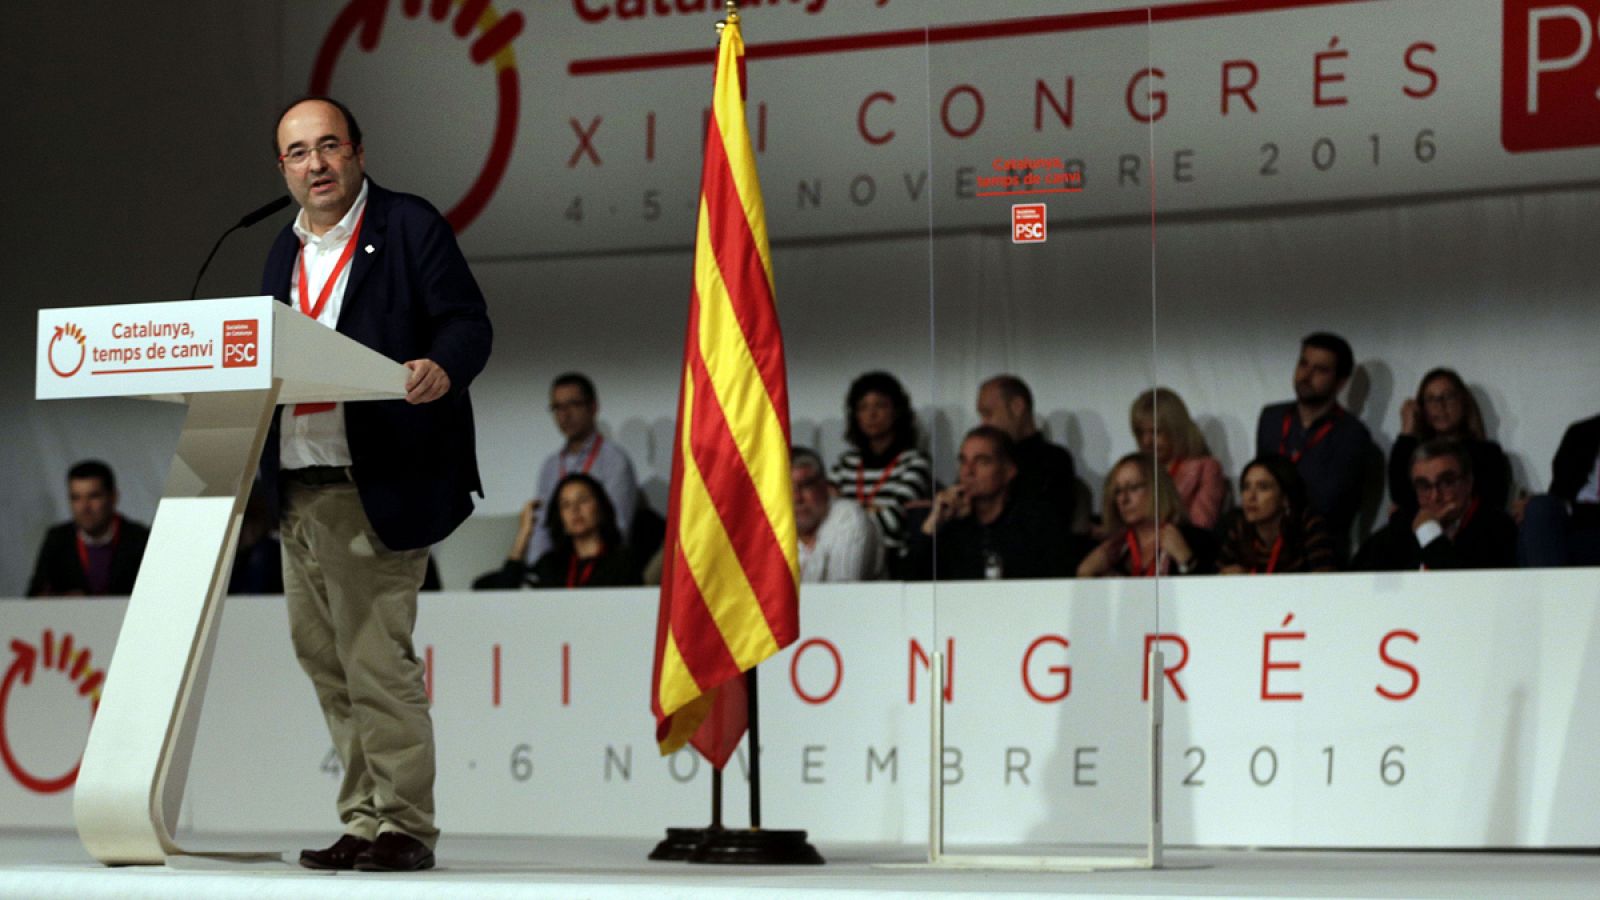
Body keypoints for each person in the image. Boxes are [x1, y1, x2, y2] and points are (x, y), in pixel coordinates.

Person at [261, 96, 491, 873]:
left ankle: (406, 825)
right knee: (326, 663)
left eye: (329, 146)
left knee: (373, 660)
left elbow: (467, 323)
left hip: (376, 482)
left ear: (358, 151)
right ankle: (363, 820)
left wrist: (442, 366)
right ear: (283, 168)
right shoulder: (279, 254)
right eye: (299, 152)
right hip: (297, 486)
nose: (316, 164)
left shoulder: (407, 226)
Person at [1254, 332, 1376, 560]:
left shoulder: (1352, 434)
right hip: (1266, 547)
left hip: (1317, 553)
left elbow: (1333, 506)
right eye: (1303, 364)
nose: (1306, 375)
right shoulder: (1272, 418)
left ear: (1341, 382)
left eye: (1320, 370)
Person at [905, 427, 1071, 580]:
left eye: (982, 462)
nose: (968, 471)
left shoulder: (1036, 522)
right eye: (963, 461)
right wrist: (932, 525)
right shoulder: (952, 525)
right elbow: (913, 584)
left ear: (1009, 471)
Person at [524, 373, 639, 566]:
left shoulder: (614, 460)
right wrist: (538, 570)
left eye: (573, 405)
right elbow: (542, 528)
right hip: (558, 567)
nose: (565, 415)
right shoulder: (550, 466)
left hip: (601, 565)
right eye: (558, 407)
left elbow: (618, 526)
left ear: (593, 407)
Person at [1352, 439, 1517, 571]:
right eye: (1424, 486)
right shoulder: (1402, 527)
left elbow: (1464, 589)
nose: (1435, 496)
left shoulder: (1497, 527)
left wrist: (1428, 532)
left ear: (1468, 482)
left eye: (1446, 482)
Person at [828, 371, 933, 569]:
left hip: (893, 564)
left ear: (896, 411)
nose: (871, 414)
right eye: (863, 407)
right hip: (843, 561)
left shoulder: (914, 462)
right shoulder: (845, 465)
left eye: (880, 405)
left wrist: (849, 514)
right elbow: (824, 521)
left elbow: (894, 523)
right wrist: (872, 510)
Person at [1387, 368, 1510, 517]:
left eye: (1448, 397)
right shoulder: (1415, 452)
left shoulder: (1488, 453)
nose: (1440, 406)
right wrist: (1407, 433)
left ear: (1463, 402)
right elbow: (1400, 497)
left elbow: (1489, 507)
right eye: (1431, 399)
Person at [1078, 453, 1217, 577]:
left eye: (1133, 488)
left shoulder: (1197, 540)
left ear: (1157, 489)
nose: (1124, 499)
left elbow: (1210, 598)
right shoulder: (1113, 551)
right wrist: (1085, 572)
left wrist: (1185, 559)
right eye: (1118, 491)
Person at [27, 461, 150, 597]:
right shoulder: (57, 539)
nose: (84, 507)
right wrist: (60, 601)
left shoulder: (141, 539)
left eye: (93, 496)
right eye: (76, 498)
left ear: (113, 497)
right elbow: (33, 597)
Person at [977, 375, 1077, 529]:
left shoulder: (1053, 461)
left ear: (1017, 406)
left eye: (988, 414)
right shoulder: (979, 458)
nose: (983, 424)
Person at [1216, 456, 1337, 574]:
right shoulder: (1239, 528)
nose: (1250, 497)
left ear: (1285, 498)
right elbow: (1213, 580)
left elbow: (1325, 581)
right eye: (1246, 487)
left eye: (1263, 487)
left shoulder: (1308, 525)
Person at [1130, 387, 1227, 529]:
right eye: (1140, 432)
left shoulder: (1205, 468)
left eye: (1156, 432)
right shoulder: (1135, 471)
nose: (1146, 442)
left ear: (1176, 429)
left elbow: (1200, 527)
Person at [1519, 413, 1600, 567]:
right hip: (1576, 526)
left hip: (1589, 526)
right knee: (1538, 509)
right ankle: (1549, 589)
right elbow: (1558, 493)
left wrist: (1575, 510)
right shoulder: (1582, 433)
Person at [792, 447, 884, 583]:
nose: (796, 497)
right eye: (786, 488)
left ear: (825, 486)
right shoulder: (770, 526)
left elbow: (840, 595)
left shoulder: (848, 517)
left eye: (806, 486)